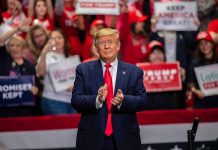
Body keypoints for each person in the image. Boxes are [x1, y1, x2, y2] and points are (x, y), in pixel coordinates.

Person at [71, 28, 148, 150]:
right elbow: (75, 100)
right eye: (102, 43)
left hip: (125, 137)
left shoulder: (134, 72)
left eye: (111, 42)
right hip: (92, 137)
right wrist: (97, 99)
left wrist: (124, 100)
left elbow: (143, 101)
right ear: (96, 48)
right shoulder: (83, 70)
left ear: (118, 46)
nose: (107, 46)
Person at [36, 29, 77, 115]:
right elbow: (40, 73)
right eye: (52, 38)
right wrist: (43, 53)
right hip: (53, 100)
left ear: (65, 41)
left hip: (72, 101)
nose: (56, 40)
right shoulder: (47, 56)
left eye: (59, 37)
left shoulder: (71, 58)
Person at [188, 31, 218, 108]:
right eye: (201, 44)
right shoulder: (195, 64)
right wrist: (196, 91)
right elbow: (190, 83)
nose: (204, 46)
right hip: (202, 103)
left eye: (206, 43)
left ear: (212, 44)